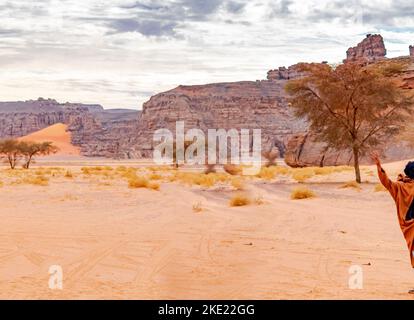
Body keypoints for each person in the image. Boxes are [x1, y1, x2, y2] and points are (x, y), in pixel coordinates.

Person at [371, 151, 414, 293]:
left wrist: (379, 166)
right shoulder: (401, 186)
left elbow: (386, 182)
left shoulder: (399, 186)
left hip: (409, 227)